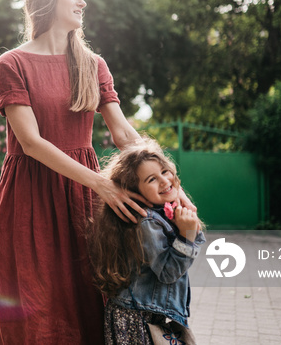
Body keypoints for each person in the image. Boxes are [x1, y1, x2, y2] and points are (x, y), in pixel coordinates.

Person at [0, 0, 196, 344]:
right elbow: (31, 142)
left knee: (92, 298)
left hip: (82, 198)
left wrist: (170, 182)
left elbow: (123, 134)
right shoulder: (12, 63)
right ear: (48, 2)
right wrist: (101, 182)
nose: (82, 3)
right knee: (34, 302)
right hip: (29, 197)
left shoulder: (93, 64)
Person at [88, 139, 205, 345]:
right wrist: (186, 236)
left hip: (149, 313)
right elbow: (168, 272)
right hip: (136, 317)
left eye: (164, 171)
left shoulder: (163, 212)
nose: (164, 181)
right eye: (151, 179)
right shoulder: (147, 222)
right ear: (135, 191)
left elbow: (195, 235)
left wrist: (187, 224)